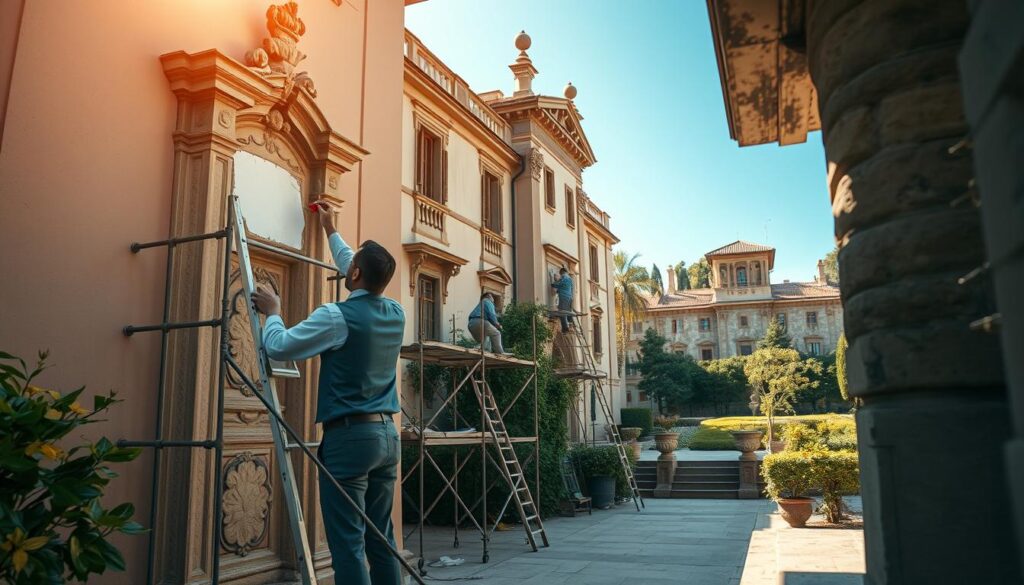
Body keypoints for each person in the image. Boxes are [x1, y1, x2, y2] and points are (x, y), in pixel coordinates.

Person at [252, 200, 404, 585]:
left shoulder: (336, 316)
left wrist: (273, 311)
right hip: (387, 435)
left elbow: (279, 347)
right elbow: (353, 266)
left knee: (347, 542)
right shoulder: (395, 313)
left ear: (355, 274)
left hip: (350, 438)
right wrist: (330, 229)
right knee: (380, 537)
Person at [550, 267, 575, 333]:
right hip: (569, 297)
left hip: (564, 297)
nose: (560, 275)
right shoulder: (570, 279)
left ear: (562, 272)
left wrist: (553, 283)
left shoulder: (564, 277)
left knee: (562, 312)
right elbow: (564, 288)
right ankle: (571, 326)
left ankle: (565, 328)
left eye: (560, 274)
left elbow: (559, 284)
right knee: (568, 312)